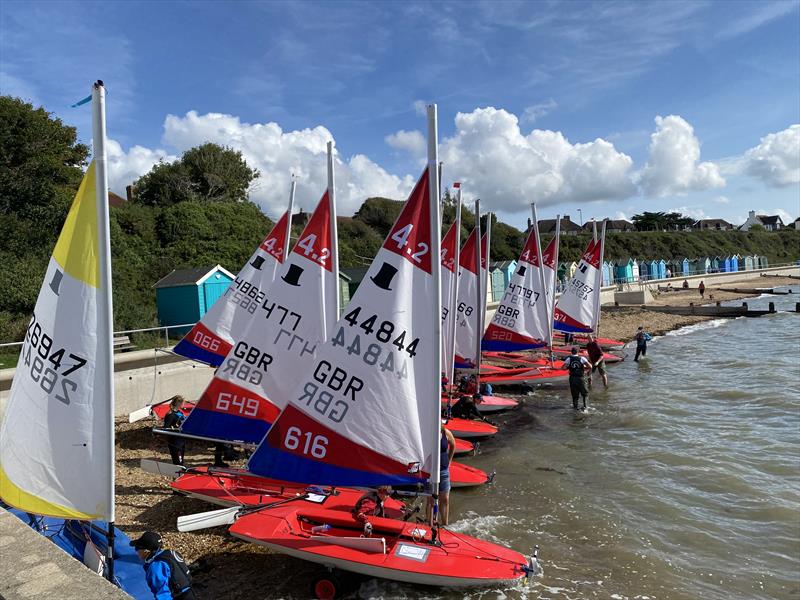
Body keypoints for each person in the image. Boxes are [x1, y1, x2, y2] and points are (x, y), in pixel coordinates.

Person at [131, 531, 196, 600]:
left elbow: (162, 594)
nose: (137, 552)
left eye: (137, 549)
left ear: (146, 551)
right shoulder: (171, 553)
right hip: (191, 592)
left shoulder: (155, 567)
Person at [427, 426, 456, 525]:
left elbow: (453, 444)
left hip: (444, 471)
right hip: (429, 471)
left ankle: (445, 525)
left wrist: (450, 460)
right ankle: (429, 524)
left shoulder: (445, 432)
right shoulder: (427, 432)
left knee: (445, 499)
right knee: (431, 499)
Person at [562, 346, 591, 411]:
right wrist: (585, 369)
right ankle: (585, 407)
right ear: (577, 352)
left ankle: (575, 408)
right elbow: (590, 366)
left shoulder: (568, 359)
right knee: (585, 393)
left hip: (572, 378)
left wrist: (569, 367)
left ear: (571, 352)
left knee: (574, 394)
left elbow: (563, 368)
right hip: (581, 378)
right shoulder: (582, 358)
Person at [163, 395, 187, 466]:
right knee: (177, 461)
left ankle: (180, 473)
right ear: (178, 403)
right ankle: (176, 475)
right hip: (174, 441)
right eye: (183, 403)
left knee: (181, 460)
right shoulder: (170, 415)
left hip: (182, 439)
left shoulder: (180, 413)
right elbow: (166, 428)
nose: (184, 404)